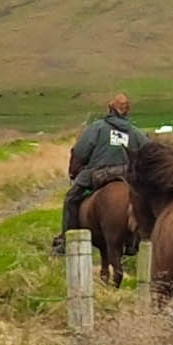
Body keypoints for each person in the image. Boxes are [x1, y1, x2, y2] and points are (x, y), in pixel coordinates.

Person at [62, 93, 143, 242]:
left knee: (71, 199)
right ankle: (138, 240)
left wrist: (75, 171)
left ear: (110, 109)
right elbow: (147, 153)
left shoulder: (97, 127)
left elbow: (80, 152)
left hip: (98, 173)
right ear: (127, 111)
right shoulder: (136, 132)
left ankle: (66, 241)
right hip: (126, 176)